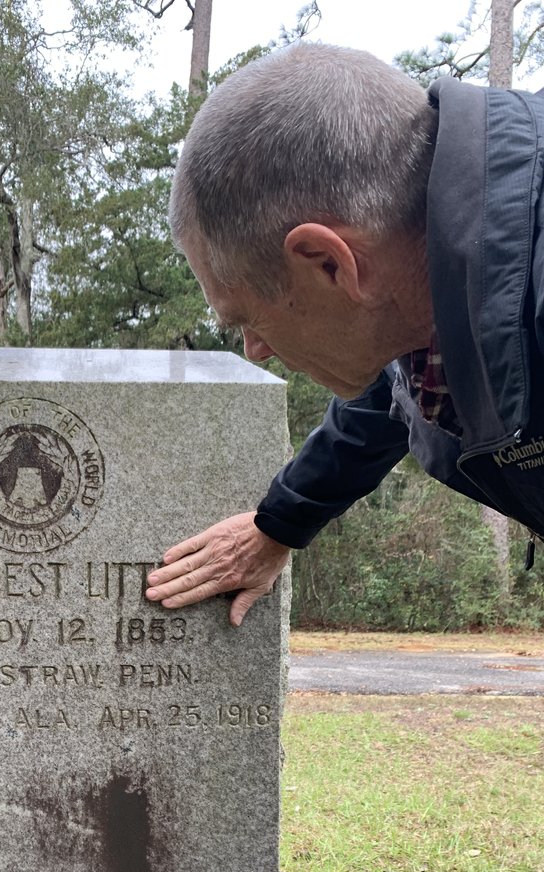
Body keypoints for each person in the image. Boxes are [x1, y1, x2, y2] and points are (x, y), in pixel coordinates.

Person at [145, 42, 544, 624]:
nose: (256, 351)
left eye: (248, 320)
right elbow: (391, 397)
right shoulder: (438, 293)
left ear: (329, 263)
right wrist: (278, 524)